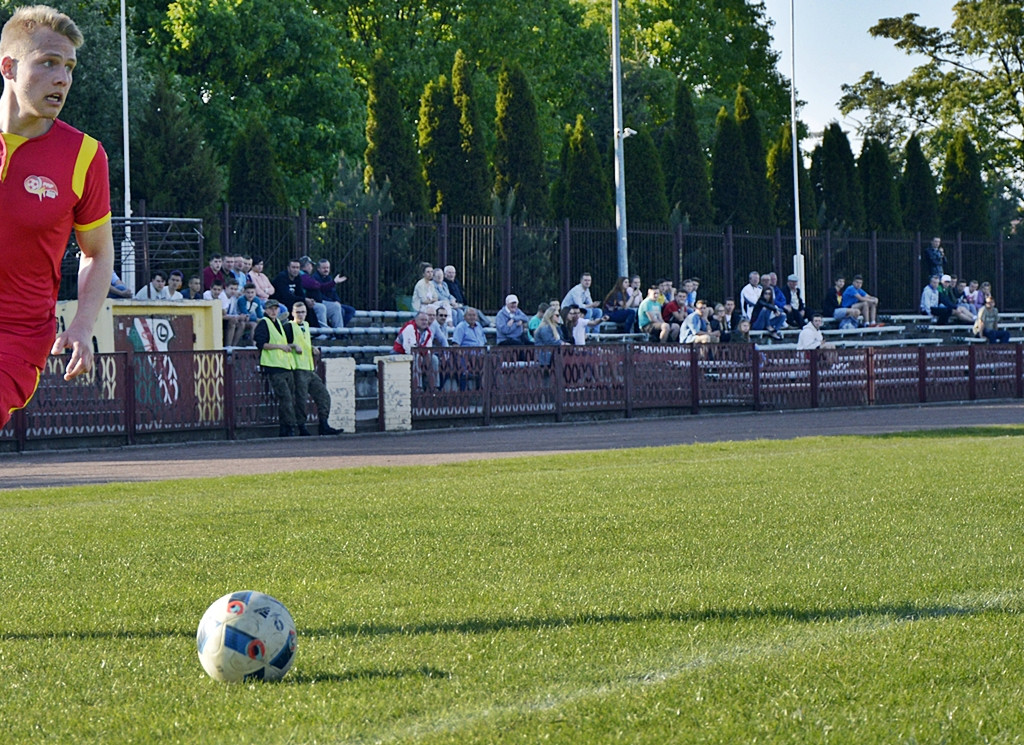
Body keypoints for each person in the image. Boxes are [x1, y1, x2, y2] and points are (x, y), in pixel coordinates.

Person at [0, 5, 115, 430]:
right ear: (8, 66)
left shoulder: (85, 156)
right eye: (48, 63)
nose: (63, 78)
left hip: (16, 339)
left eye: (68, 67)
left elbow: (98, 253)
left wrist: (83, 326)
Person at [288, 302, 340, 435]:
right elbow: (283, 343)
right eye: (298, 312)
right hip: (298, 368)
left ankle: (324, 424)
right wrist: (293, 346)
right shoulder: (289, 327)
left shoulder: (305, 325)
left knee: (323, 395)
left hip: (309, 367)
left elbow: (304, 343)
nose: (300, 315)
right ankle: (301, 427)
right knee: (300, 399)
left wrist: (311, 348)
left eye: (303, 312)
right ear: (293, 313)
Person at [253, 299, 299, 437]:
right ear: (266, 310)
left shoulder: (278, 322)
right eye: (271, 309)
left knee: (288, 398)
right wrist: (281, 347)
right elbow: (261, 344)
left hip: (285, 365)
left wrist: (291, 346)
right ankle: (289, 427)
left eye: (275, 309)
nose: (273, 311)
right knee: (286, 398)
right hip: (274, 366)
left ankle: (285, 428)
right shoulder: (264, 323)